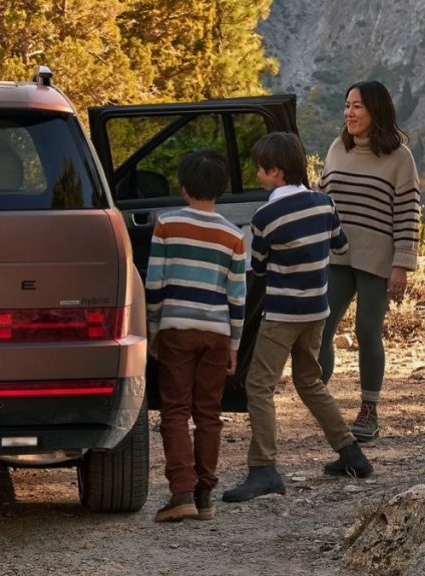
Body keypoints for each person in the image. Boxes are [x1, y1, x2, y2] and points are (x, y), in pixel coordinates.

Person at [223, 132, 373, 503]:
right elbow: (340, 245)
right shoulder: (324, 204)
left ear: (275, 170)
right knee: (309, 381)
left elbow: (257, 268)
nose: (258, 175)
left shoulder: (265, 216)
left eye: (260, 169)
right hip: (316, 312)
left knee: (259, 386)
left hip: (282, 315)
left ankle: (264, 469)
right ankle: (351, 453)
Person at [316, 80, 421, 443]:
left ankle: (369, 411)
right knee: (322, 329)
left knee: (366, 330)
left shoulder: (399, 157)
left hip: (378, 260)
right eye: (347, 105)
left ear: (376, 110)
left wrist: (401, 265)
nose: (349, 112)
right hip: (337, 255)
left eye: (357, 106)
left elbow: (408, 213)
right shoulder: (336, 148)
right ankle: (322, 405)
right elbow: (324, 199)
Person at [145, 149, 246, 522]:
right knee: (209, 413)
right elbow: (237, 297)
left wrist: (154, 328)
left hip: (176, 330)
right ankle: (204, 496)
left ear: (183, 186)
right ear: (219, 188)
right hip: (217, 334)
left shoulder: (166, 224)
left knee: (174, 410)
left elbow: (155, 282)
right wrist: (234, 343)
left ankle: (181, 491)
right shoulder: (233, 235)